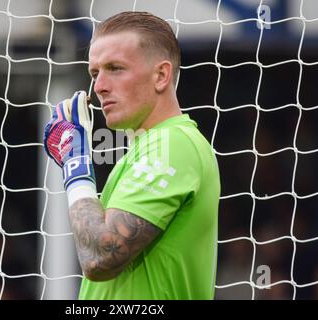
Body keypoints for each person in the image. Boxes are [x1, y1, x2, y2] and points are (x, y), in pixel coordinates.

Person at [43, 11, 220, 299]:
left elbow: (99, 257)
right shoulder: (140, 152)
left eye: (115, 68)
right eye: (95, 73)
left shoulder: (174, 144)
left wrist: (75, 166)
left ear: (161, 75)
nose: (99, 86)